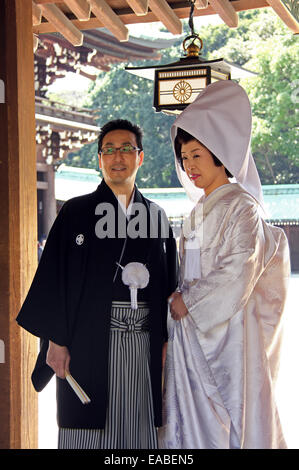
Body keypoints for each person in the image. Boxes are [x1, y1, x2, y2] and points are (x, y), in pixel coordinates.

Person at [17, 119, 178, 449]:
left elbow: (168, 284)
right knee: (86, 425)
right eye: (109, 150)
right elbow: (53, 281)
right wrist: (55, 342)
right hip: (84, 342)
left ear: (140, 157)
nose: (118, 157)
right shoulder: (75, 213)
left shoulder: (156, 216)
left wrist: (165, 343)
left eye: (126, 149)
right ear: (100, 158)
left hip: (141, 344)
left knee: (136, 429)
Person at [158, 81, 290, 449]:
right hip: (191, 333)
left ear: (219, 152)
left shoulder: (242, 208)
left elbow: (239, 270)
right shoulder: (198, 210)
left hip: (231, 335)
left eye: (197, 154)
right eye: (184, 158)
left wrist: (192, 302)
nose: (189, 165)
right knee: (188, 422)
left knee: (232, 419)